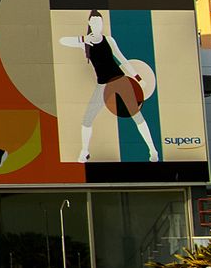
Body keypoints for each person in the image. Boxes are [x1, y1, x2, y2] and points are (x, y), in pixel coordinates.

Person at [59, 10, 158, 163]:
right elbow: (62, 41)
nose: (98, 24)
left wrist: (138, 78)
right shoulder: (86, 43)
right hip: (102, 85)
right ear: (90, 23)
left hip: (119, 80)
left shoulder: (109, 40)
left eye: (100, 21)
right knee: (87, 119)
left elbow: (122, 59)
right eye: (95, 21)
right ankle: (84, 152)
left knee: (136, 115)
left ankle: (152, 150)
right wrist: (83, 39)